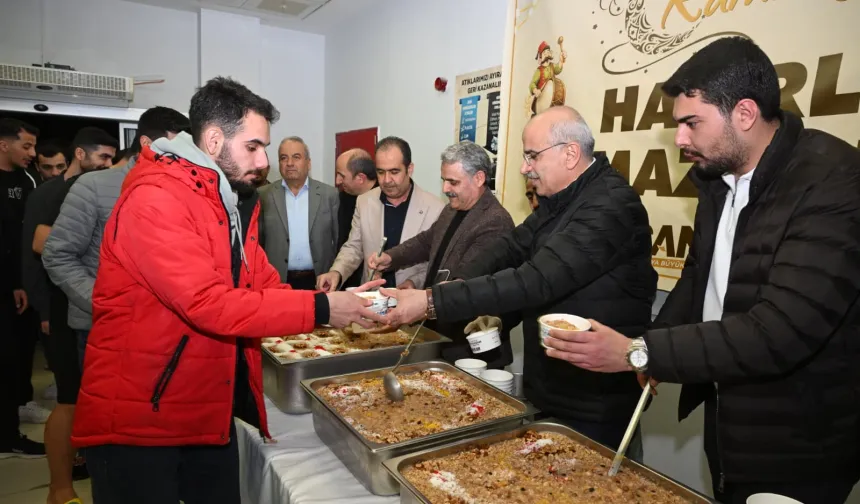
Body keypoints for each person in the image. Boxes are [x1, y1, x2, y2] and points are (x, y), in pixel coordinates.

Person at [542, 37, 860, 504]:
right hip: (729, 413)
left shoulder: (834, 179)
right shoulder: (718, 178)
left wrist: (641, 351)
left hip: (802, 438)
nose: (680, 139)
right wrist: (656, 346)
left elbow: (780, 330)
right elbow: (698, 279)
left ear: (745, 114)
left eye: (692, 123)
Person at [71, 77, 384, 504]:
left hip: (202, 408)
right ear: (215, 139)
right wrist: (325, 309)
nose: (264, 160)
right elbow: (208, 304)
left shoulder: (224, 199)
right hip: (141, 418)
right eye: (253, 146)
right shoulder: (157, 198)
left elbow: (263, 283)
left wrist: (346, 300)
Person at [383, 106, 656, 461]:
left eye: (531, 156)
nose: (525, 167)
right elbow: (510, 249)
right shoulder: (562, 200)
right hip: (553, 384)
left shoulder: (610, 204)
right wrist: (458, 283)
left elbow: (535, 280)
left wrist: (431, 301)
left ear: (570, 153)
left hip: (596, 397)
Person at [43, 106, 191, 375]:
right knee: (102, 413)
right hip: (102, 329)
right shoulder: (94, 186)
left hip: (161, 331)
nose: (182, 158)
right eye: (175, 148)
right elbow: (57, 254)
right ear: (146, 144)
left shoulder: (180, 190)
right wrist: (102, 303)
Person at [22, 126, 117, 503]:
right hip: (64, 309)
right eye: (104, 158)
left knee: (86, 402)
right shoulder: (55, 192)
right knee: (69, 400)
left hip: (82, 307)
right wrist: (44, 310)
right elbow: (43, 247)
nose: (108, 166)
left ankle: (79, 469)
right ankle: (59, 489)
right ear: (82, 154)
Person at [368, 141, 515, 367]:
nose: (445, 188)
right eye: (444, 180)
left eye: (452, 182)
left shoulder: (495, 221)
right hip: (442, 336)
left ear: (479, 178)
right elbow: (426, 241)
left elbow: (464, 281)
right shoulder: (453, 208)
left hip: (471, 347)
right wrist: (390, 258)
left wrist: (419, 303)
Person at [317, 137, 445, 292]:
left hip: (410, 300)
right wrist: (336, 272)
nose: (387, 180)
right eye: (381, 172)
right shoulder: (364, 202)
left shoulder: (436, 208)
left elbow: (436, 262)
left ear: (409, 169)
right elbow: (354, 247)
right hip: (372, 299)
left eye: (394, 172)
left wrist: (414, 282)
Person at [0, 117, 44, 458]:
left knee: (16, 358)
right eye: (26, 146)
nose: (31, 153)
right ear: (4, 144)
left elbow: (28, 238)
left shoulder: (27, 180)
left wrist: (23, 282)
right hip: (7, 284)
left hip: (20, 287)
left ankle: (9, 431)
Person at [258, 136, 339, 290]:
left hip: (319, 280)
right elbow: (259, 243)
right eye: (284, 158)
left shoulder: (329, 195)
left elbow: (338, 240)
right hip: (278, 281)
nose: (289, 163)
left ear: (308, 163)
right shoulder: (263, 195)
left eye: (296, 157)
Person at [334, 149, 377, 289]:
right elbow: (349, 245)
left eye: (341, 175)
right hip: (346, 280)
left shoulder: (384, 200)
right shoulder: (343, 198)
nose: (337, 181)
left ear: (360, 178)